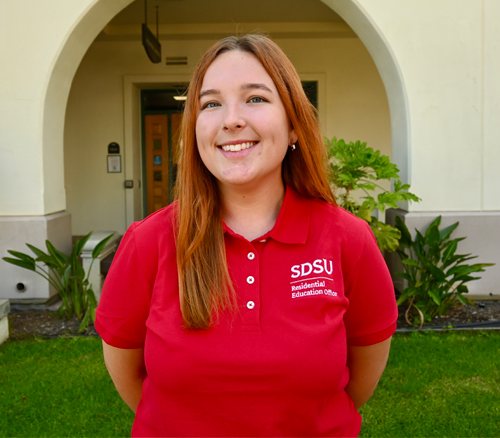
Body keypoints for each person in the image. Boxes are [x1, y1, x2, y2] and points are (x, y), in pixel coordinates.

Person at [95, 34, 398, 437]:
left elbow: (360, 379)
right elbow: (130, 377)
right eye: (211, 103)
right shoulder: (148, 242)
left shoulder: (349, 240)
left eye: (255, 98)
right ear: (196, 130)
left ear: (293, 126)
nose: (231, 119)